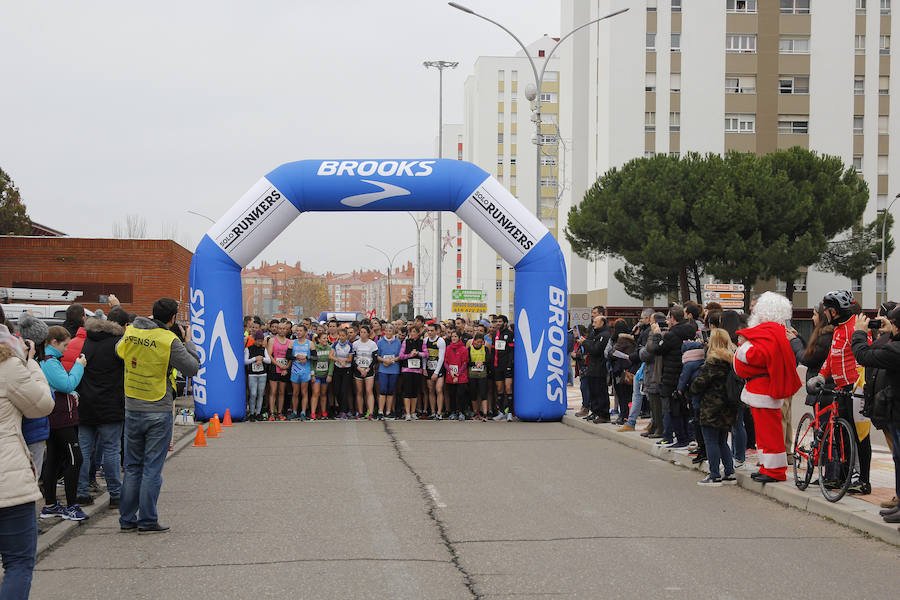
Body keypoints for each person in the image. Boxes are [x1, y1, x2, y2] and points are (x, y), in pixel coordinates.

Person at [116, 298, 199, 533]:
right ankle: (147, 520)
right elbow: (192, 368)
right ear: (173, 319)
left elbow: (118, 351)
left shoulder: (131, 332)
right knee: (152, 467)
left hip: (132, 405)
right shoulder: (169, 340)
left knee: (132, 467)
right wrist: (188, 342)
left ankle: (127, 519)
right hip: (157, 407)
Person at [0, 324, 54, 599]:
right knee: (18, 562)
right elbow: (42, 405)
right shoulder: (9, 366)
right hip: (7, 481)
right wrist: (30, 364)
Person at [806, 290, 872, 494]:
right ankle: (842, 477)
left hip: (855, 388)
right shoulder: (838, 329)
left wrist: (860, 385)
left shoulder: (856, 328)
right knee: (842, 434)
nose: (825, 313)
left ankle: (863, 480)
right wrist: (821, 376)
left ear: (834, 311)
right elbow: (832, 358)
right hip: (840, 388)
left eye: (827, 310)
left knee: (860, 436)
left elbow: (866, 356)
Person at [734, 292, 802, 483]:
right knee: (764, 433)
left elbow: (758, 356)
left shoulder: (770, 332)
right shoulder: (773, 331)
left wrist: (743, 349)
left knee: (769, 432)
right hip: (761, 388)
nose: (752, 310)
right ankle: (767, 466)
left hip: (763, 389)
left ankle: (775, 470)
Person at [850, 305, 900, 526]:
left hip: (897, 411)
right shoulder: (895, 343)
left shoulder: (895, 349)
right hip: (895, 411)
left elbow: (864, 355)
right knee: (898, 459)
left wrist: (859, 332)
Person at [75, 308, 128, 508]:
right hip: (110, 405)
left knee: (84, 450)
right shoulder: (118, 344)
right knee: (112, 450)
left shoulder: (86, 341)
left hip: (86, 404)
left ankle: (81, 492)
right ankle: (115, 494)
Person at [38, 326, 88, 522]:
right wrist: (79, 365)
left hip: (53, 415)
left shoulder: (47, 360)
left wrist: (70, 392)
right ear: (53, 343)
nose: (67, 350)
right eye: (65, 345)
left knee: (54, 459)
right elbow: (66, 384)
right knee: (75, 459)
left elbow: (58, 386)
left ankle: (50, 504)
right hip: (61, 418)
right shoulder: (50, 362)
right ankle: (71, 505)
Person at [690, 329, 740, 486]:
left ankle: (714, 474)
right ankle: (730, 472)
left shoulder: (712, 362)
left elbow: (698, 385)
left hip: (711, 406)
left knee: (711, 440)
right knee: (722, 441)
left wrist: (691, 388)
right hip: (729, 406)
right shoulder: (733, 361)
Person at [648, 306, 697, 448]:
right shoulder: (691, 330)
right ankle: (688, 436)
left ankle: (680, 438)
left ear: (673, 319)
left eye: (669, 318)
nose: (668, 321)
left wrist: (657, 335)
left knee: (673, 409)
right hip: (686, 372)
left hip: (671, 374)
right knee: (685, 408)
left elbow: (658, 350)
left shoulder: (671, 335)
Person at [581, 315, 611, 424]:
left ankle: (604, 414)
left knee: (600, 392)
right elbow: (591, 344)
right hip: (592, 367)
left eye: (595, 322)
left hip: (600, 368)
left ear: (602, 323)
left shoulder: (605, 335)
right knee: (593, 391)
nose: (593, 324)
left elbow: (596, 349)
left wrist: (584, 343)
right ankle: (595, 411)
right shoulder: (595, 333)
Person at [351, 325, 378, 419]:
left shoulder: (372, 344)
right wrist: (359, 368)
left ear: (368, 334)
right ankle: (360, 412)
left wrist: (367, 369)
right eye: (361, 332)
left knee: (369, 391)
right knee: (359, 391)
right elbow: (353, 358)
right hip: (358, 369)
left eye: (364, 332)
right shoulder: (355, 344)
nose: (362, 334)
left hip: (368, 370)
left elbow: (374, 359)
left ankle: (370, 412)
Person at [398, 325, 425, 420]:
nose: (413, 333)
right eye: (411, 332)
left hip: (417, 370)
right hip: (407, 370)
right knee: (407, 391)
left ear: (418, 333)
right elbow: (401, 356)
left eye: (415, 332)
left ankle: (413, 412)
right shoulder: (405, 342)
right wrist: (410, 355)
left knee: (414, 392)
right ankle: (407, 412)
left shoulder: (422, 342)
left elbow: (426, 354)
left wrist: (418, 353)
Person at [376, 324, 401, 420]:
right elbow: (377, 355)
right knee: (383, 390)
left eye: (390, 331)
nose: (388, 333)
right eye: (386, 331)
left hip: (394, 369)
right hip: (383, 369)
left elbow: (400, 355)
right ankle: (380, 411)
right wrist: (384, 361)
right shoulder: (380, 342)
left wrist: (392, 361)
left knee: (391, 391)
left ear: (393, 332)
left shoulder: (398, 342)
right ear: (384, 332)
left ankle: (388, 411)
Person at [266, 321, 291, 421]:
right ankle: (272, 412)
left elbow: (290, 357)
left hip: (284, 369)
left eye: (284, 328)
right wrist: (279, 364)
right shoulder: (272, 340)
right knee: (273, 391)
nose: (281, 330)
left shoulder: (290, 342)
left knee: (281, 392)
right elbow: (269, 355)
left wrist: (286, 367)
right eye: (280, 328)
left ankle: (280, 412)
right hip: (274, 368)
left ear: (287, 330)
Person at [491, 315, 515, 421]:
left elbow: (511, 351)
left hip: (507, 366)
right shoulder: (495, 334)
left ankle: (509, 412)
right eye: (497, 322)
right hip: (497, 366)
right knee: (499, 389)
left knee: (508, 388)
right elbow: (493, 350)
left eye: (500, 321)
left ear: (505, 323)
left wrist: (510, 364)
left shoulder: (510, 334)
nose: (498, 323)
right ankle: (501, 412)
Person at [244, 329, 270, 421]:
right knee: (253, 394)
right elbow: (245, 361)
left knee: (260, 394)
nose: (260, 342)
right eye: (259, 340)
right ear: (255, 340)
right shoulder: (249, 349)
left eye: (261, 340)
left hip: (262, 374)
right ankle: (251, 413)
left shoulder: (263, 349)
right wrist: (255, 358)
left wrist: (261, 358)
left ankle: (258, 413)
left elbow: (269, 360)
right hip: (252, 375)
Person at [444, 330, 470, 420]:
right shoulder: (448, 348)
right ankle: (453, 412)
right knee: (452, 394)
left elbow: (464, 363)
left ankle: (461, 412)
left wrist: (457, 374)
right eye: (452, 337)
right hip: (450, 375)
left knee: (460, 394)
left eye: (455, 336)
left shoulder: (463, 349)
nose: (454, 338)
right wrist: (451, 372)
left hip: (461, 376)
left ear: (459, 338)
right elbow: (445, 362)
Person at [423, 322, 447, 420]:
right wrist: (424, 368)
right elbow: (424, 356)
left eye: (432, 331)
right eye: (428, 331)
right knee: (430, 390)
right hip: (429, 367)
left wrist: (436, 372)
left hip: (438, 368)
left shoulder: (440, 341)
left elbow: (441, 358)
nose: (430, 332)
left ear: (436, 331)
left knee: (439, 389)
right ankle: (433, 411)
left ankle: (439, 412)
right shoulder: (425, 340)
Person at [468, 332, 492, 421]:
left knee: (483, 394)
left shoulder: (485, 349)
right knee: (473, 395)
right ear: (474, 341)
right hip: (472, 375)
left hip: (482, 375)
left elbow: (489, 360)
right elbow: (467, 361)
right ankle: (475, 413)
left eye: (481, 342)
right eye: (477, 342)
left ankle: (485, 414)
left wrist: (483, 363)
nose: (479, 344)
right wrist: (474, 363)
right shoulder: (470, 349)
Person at [330, 327, 354, 418]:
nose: (341, 337)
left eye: (343, 336)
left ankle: (344, 411)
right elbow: (331, 356)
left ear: (347, 336)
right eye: (340, 336)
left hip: (346, 369)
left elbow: (350, 359)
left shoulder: (350, 345)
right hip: (337, 368)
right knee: (337, 390)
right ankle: (340, 409)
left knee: (344, 390)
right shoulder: (335, 344)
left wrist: (344, 361)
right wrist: (339, 360)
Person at [290, 324, 312, 420]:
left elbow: (315, 357)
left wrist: (306, 357)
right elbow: (288, 356)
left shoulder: (310, 343)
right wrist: (297, 357)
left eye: (300, 331)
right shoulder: (292, 342)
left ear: (305, 332)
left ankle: (303, 412)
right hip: (295, 370)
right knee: (295, 392)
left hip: (305, 371)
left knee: (304, 392)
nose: (298, 332)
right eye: (297, 331)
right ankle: (294, 411)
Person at [311, 333, 334, 420]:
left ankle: (323, 412)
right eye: (323, 338)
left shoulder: (330, 348)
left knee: (323, 394)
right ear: (319, 340)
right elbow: (312, 363)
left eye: (326, 338)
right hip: (316, 375)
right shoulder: (315, 348)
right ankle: (313, 413)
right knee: (316, 393)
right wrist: (312, 374)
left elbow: (331, 362)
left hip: (325, 375)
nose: (325, 340)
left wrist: (330, 374)